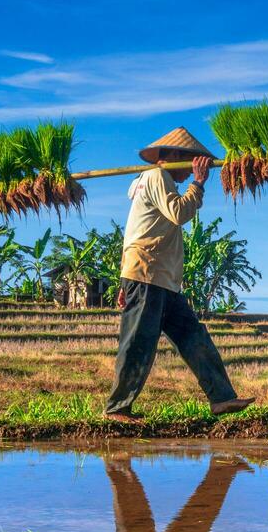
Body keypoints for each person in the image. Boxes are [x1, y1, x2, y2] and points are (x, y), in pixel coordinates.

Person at [104, 127, 253, 423]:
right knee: (138, 343)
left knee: (194, 337)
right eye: (192, 162)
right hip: (147, 274)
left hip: (163, 279)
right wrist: (198, 183)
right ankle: (117, 408)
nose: (193, 168)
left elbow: (133, 231)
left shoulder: (159, 181)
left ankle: (222, 397)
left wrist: (124, 277)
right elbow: (179, 213)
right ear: (173, 156)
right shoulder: (157, 177)